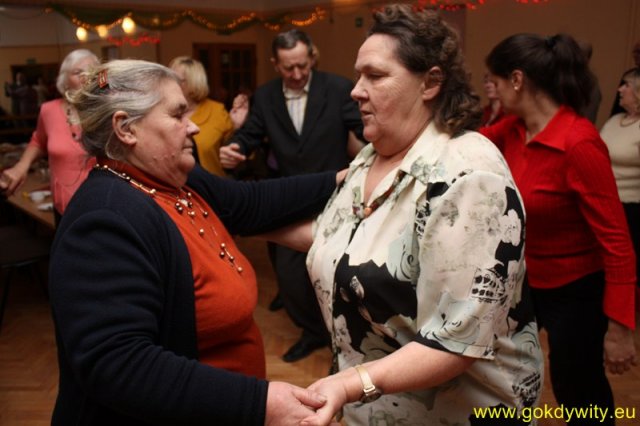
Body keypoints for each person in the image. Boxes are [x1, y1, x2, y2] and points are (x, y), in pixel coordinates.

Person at [49, 59, 342, 425]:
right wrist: (259, 403)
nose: (193, 127)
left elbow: (249, 203)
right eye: (177, 115)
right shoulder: (106, 218)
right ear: (126, 128)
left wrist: (342, 179)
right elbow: (120, 365)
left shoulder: (176, 180)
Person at [300, 5, 543, 425]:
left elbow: (455, 341)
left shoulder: (469, 175)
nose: (356, 90)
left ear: (430, 82)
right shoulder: (370, 158)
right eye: (358, 76)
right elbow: (337, 236)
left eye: (375, 76)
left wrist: (348, 384)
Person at [481, 33, 637, 425]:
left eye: (495, 81)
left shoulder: (579, 143)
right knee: (511, 371)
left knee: (577, 387)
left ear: (517, 80)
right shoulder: (513, 129)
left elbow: (617, 243)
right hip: (528, 282)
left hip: (576, 290)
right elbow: (465, 147)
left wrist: (620, 329)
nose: (491, 91)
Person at [220, 29, 365, 363]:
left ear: (311, 57)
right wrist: (235, 148)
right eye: (289, 68)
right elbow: (250, 134)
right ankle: (313, 333)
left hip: (334, 194)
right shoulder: (266, 95)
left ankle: (344, 340)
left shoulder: (338, 88)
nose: (297, 74)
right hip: (289, 198)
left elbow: (363, 128)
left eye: (302, 65)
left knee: (339, 273)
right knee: (290, 279)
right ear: (275, 64)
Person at [0, 49, 99, 224]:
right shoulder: (49, 110)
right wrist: (21, 167)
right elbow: (39, 141)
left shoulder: (108, 112)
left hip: (101, 206)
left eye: (92, 72)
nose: (86, 77)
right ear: (64, 80)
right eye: (78, 72)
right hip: (64, 207)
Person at [600, 67, 640, 310]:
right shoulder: (614, 121)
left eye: (626, 85)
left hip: (632, 207)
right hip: (606, 201)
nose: (620, 89)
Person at [169, 56, 241, 176]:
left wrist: (237, 127)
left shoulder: (217, 111)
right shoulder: (163, 111)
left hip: (211, 183)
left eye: (176, 80)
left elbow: (235, 154)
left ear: (194, 83)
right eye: (169, 78)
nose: (170, 83)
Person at [610, 41, 640, 117]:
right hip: (624, 117)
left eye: (639, 52)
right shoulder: (629, 74)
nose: (635, 55)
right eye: (634, 52)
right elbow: (617, 106)